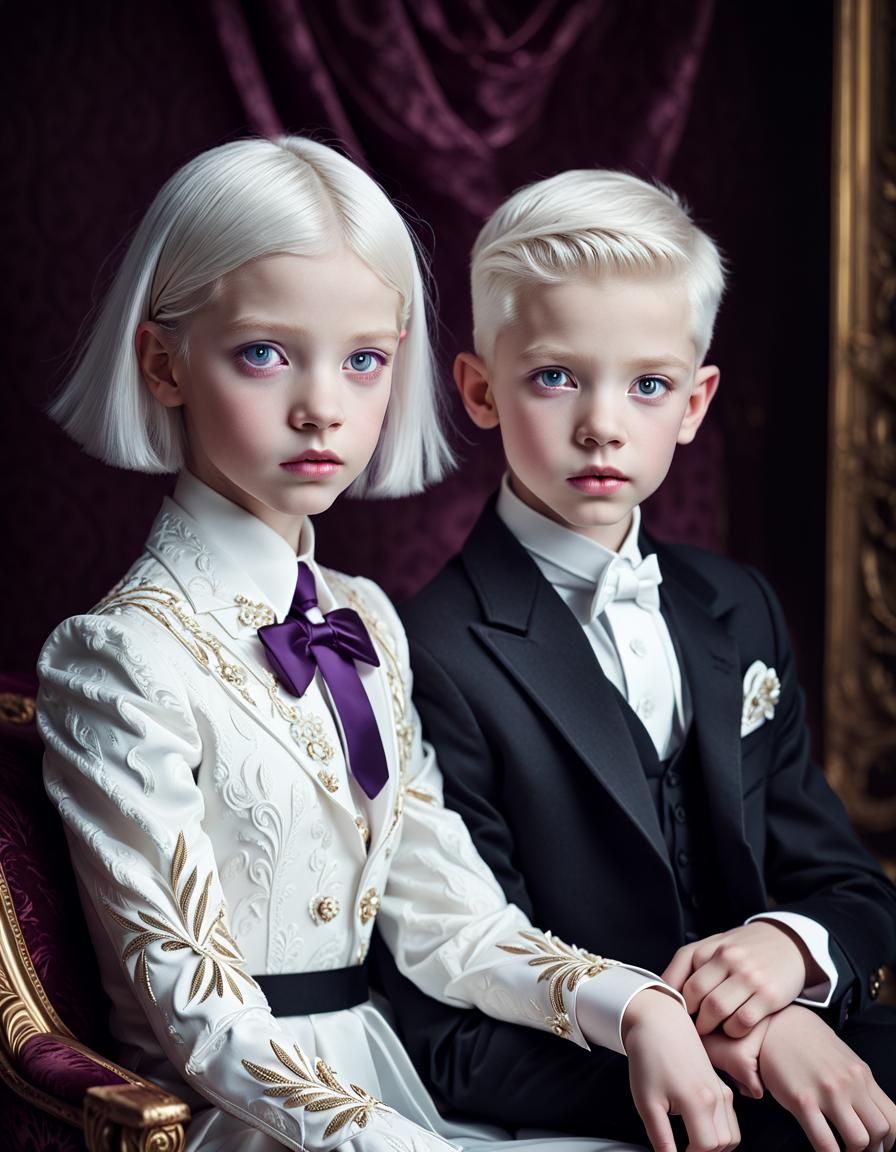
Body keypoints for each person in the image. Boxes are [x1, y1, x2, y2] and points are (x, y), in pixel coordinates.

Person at [35, 139, 740, 1152]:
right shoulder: (117, 657)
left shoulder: (364, 620)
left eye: (363, 359)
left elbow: (453, 923)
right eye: (264, 354)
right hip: (232, 1118)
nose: (322, 405)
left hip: (383, 1077)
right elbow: (201, 1019)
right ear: (162, 362)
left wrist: (634, 1009)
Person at [375, 169, 896, 1152]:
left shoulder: (734, 606)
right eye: (554, 377)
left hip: (800, 1037)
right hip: (603, 1089)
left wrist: (789, 957)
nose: (600, 423)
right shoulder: (430, 653)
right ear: (479, 391)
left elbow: (849, 889)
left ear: (694, 402)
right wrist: (738, 1052)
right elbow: (454, 1015)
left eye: (645, 384)